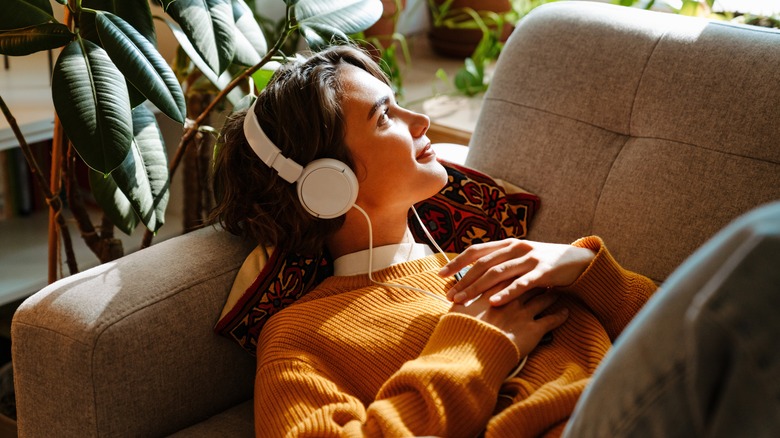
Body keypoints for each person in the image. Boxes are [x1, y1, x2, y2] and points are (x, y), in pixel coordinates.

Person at [210, 45, 657, 437]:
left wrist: (582, 269)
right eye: (385, 116)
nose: (421, 120)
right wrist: (473, 348)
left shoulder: (497, 259)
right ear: (328, 184)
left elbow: (679, 327)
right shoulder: (299, 336)